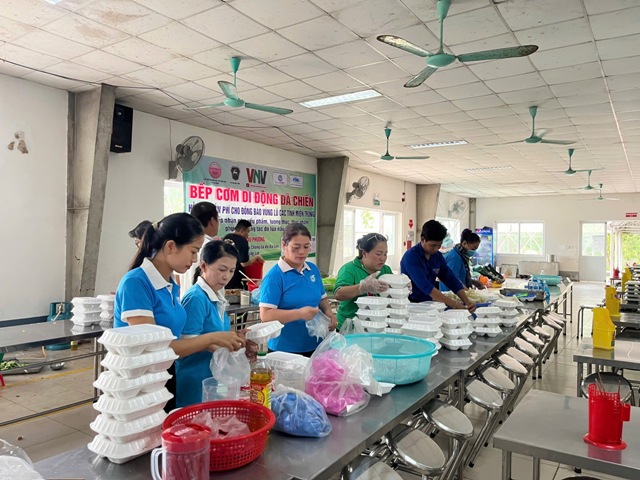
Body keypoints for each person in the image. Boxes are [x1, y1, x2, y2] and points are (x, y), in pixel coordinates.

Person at [114, 213, 245, 411]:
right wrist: (212, 338)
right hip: (138, 386)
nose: (195, 259)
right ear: (170, 247)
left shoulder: (169, 285)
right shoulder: (136, 283)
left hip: (163, 377)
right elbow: (151, 349)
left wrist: (227, 341)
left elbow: (172, 340)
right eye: (193, 251)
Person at [176, 240, 254, 407]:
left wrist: (236, 338)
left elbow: (216, 334)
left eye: (231, 271)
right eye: (221, 269)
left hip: (211, 377)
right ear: (203, 266)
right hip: (194, 379)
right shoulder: (196, 298)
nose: (226, 276)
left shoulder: (217, 296)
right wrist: (226, 343)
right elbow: (187, 343)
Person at [259, 223, 338, 355]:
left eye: (306, 247)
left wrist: (329, 313)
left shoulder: (312, 270)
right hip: (285, 349)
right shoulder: (275, 276)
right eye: (296, 247)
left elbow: (322, 298)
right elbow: (266, 315)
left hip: (315, 344)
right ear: (284, 245)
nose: (302, 252)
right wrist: (299, 314)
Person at [401, 220, 476, 312]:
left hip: (428, 303)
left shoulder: (437, 256)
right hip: (410, 304)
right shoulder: (411, 257)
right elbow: (426, 286)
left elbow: (451, 279)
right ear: (423, 239)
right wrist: (454, 304)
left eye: (439, 246)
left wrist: (467, 302)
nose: (436, 249)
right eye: (433, 245)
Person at [334, 233, 393, 330]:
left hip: (377, 326)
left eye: (385, 254)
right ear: (364, 253)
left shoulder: (386, 270)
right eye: (378, 254)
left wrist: (403, 287)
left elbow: (391, 293)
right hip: (350, 326)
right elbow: (339, 294)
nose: (383, 258)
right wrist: (362, 287)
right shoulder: (349, 269)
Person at [179, 201, 220, 296]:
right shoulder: (212, 247)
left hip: (186, 298)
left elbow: (178, 279)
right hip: (205, 300)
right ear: (212, 220)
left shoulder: (183, 245)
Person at [223, 219, 264, 290]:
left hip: (223, 276)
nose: (248, 235)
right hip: (235, 278)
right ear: (241, 231)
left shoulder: (226, 237)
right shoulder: (242, 241)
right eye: (247, 232)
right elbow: (244, 263)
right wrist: (256, 257)